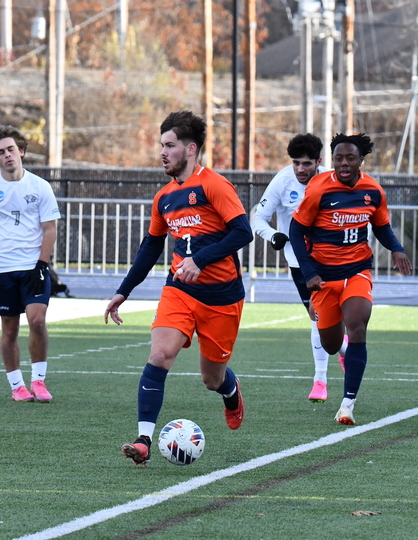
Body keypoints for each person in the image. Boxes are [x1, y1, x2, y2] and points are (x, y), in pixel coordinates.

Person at [104, 110, 253, 466]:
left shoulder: (214, 185)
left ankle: (231, 392)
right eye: (161, 145)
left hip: (222, 296)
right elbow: (151, 247)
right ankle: (143, 440)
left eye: (169, 145)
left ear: (190, 149)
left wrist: (201, 260)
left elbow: (242, 232)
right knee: (160, 355)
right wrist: (123, 291)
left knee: (211, 378)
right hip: (180, 290)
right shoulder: (164, 198)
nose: (163, 152)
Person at [289, 133, 412, 426]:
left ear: (361, 161)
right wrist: (309, 273)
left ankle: (347, 404)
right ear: (332, 161)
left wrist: (396, 249)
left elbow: (381, 226)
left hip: (357, 271)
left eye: (350, 158)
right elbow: (296, 232)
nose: (344, 164)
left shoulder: (372, 190)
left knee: (358, 325)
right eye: (339, 158)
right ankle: (338, 352)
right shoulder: (318, 188)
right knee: (330, 345)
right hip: (323, 279)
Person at [250, 133, 348, 404]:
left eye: (306, 163)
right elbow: (257, 218)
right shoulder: (282, 181)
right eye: (296, 163)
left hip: (330, 258)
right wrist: (273, 236)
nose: (301, 169)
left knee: (329, 318)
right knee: (318, 317)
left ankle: (324, 374)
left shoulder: (331, 179)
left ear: (318, 162)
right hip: (299, 262)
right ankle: (329, 367)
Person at [0, 125, 60, 402]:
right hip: (2, 268)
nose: (7, 155)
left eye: (11, 149)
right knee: (9, 328)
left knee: (37, 320)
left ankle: (39, 381)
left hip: (33, 267)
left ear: (21, 151)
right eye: (1, 152)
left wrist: (42, 265)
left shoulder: (40, 186)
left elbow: (50, 228)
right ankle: (17, 387)